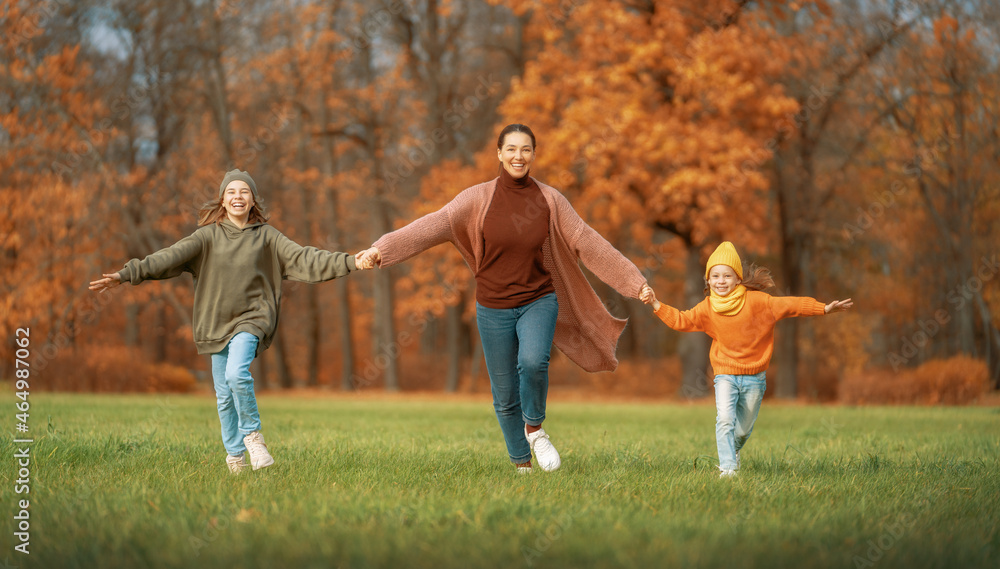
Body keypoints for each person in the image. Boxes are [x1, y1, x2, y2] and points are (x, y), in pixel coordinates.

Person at [356, 124, 649, 473]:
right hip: (493, 309)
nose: (518, 156)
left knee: (534, 362)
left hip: (539, 299)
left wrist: (634, 281)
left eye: (525, 149)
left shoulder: (550, 200)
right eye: (511, 149)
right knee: (505, 395)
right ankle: (521, 465)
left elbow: (587, 240)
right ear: (499, 153)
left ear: (534, 155)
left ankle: (535, 429)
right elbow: (431, 225)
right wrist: (380, 249)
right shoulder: (476, 199)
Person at [89, 169, 366, 473]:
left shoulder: (267, 237)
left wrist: (351, 261)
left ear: (252, 200)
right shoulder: (207, 237)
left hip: (252, 319)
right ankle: (235, 458)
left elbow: (305, 259)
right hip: (215, 324)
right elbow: (168, 257)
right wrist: (126, 274)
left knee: (236, 374)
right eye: (231, 191)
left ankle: (253, 437)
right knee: (223, 396)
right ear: (222, 200)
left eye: (244, 191)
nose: (238, 196)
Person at [639, 241, 852, 478]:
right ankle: (728, 469)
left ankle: (733, 451)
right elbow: (681, 320)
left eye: (727, 276)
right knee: (725, 420)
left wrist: (822, 308)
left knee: (742, 431)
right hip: (725, 374)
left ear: (738, 279)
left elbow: (790, 305)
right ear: (708, 281)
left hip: (754, 376)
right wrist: (656, 304)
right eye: (715, 276)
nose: (721, 281)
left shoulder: (758, 302)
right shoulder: (707, 308)